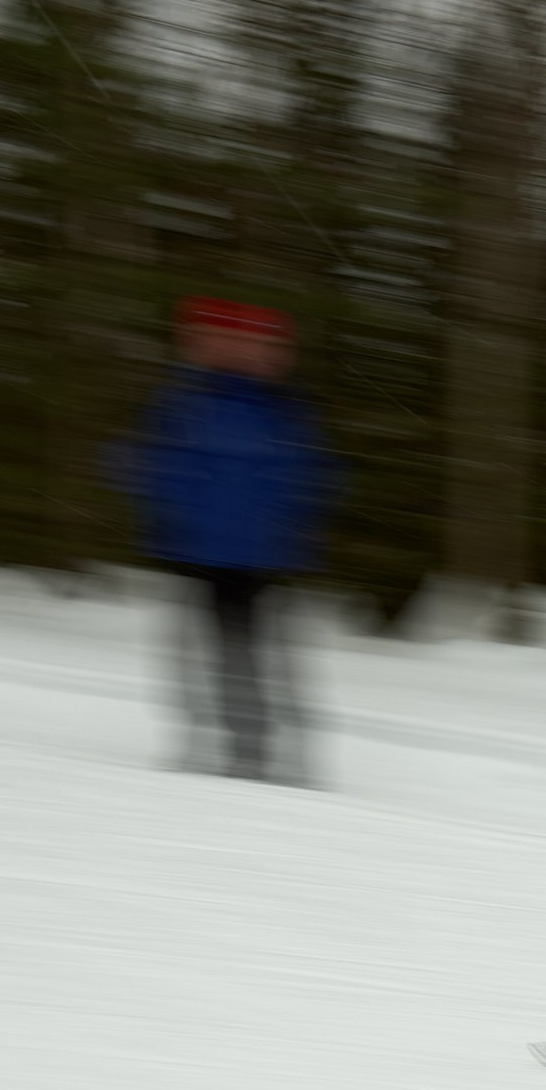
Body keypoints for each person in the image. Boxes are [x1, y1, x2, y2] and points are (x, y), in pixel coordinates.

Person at [113, 298, 336, 782]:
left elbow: (311, 477)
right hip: (206, 550)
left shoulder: (271, 410)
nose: (265, 358)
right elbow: (155, 463)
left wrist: (297, 531)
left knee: (241, 654)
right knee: (207, 652)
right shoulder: (192, 400)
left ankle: (254, 751)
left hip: (249, 556)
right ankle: (222, 745)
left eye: (266, 348)